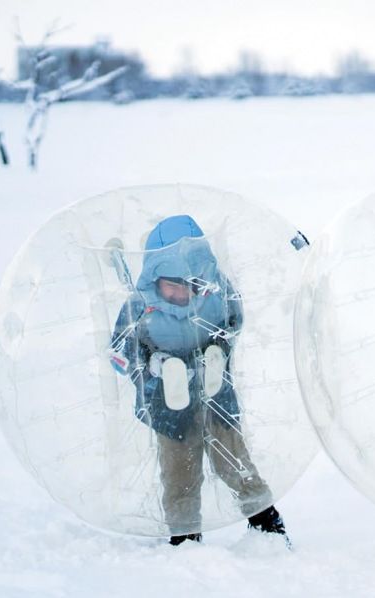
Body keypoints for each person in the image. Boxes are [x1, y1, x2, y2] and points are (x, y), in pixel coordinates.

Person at [109, 214, 288, 546]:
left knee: (235, 461)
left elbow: (234, 319)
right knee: (180, 475)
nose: (182, 291)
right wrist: (150, 363)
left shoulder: (216, 295)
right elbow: (118, 353)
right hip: (168, 405)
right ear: (154, 277)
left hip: (216, 394)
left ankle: (266, 522)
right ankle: (185, 536)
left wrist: (218, 347)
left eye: (190, 282)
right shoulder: (139, 308)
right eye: (172, 283)